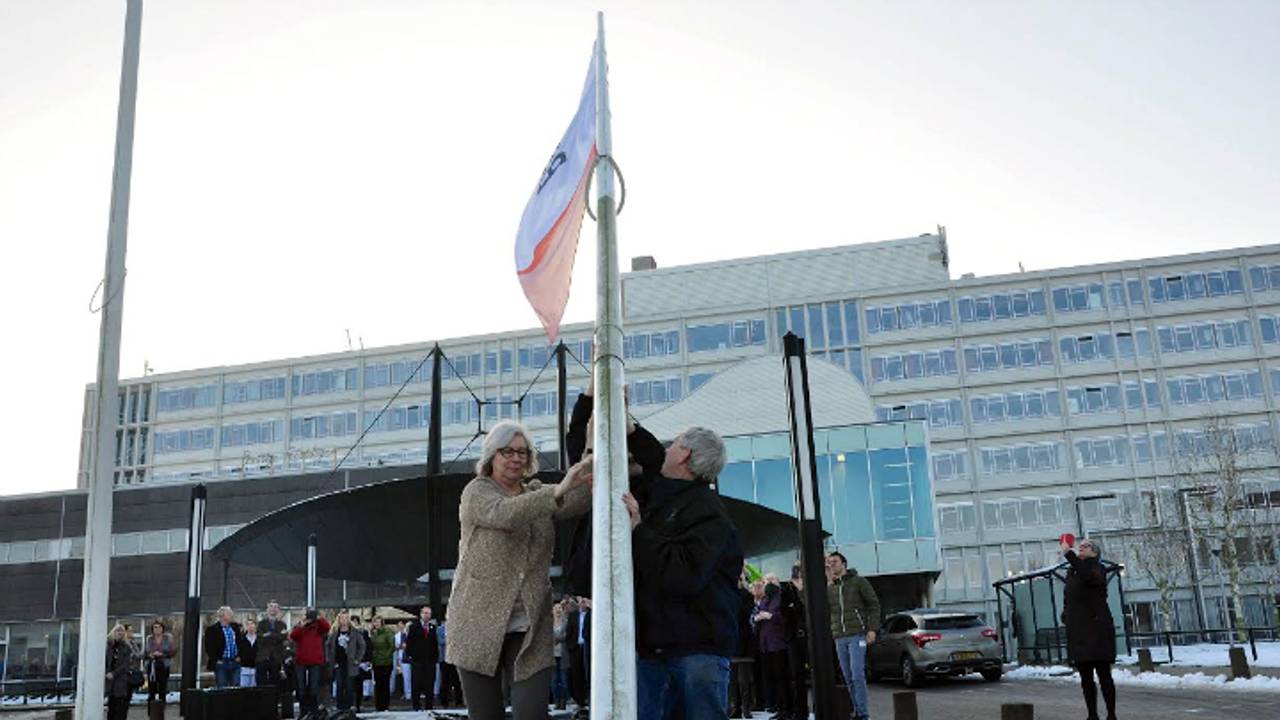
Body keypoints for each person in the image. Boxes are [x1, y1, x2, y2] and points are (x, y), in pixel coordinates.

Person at [446, 419, 593, 720]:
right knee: (486, 716)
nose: (516, 458)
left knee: (531, 714)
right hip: (476, 623)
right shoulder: (477, 492)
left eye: (522, 452)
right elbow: (507, 514)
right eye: (507, 451)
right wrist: (558, 491)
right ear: (491, 456)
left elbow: (580, 495)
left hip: (530, 627)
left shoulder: (536, 492)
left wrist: (592, 447)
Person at [623, 425, 744, 720]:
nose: (666, 450)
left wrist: (638, 531)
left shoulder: (708, 513)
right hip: (662, 648)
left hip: (694, 653)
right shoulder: (673, 496)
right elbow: (653, 458)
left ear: (685, 454)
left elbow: (683, 574)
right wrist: (632, 429)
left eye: (673, 445)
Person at [1061, 537, 1118, 720]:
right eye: (1081, 546)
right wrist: (1066, 614)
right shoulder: (1072, 572)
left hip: (1097, 629)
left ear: (1095, 553)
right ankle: (1092, 715)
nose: (1081, 548)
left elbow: (1088, 576)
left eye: (1086, 546)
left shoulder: (1097, 568)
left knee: (1104, 675)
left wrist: (1069, 554)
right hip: (1078, 630)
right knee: (1086, 678)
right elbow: (1069, 597)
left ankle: (1111, 714)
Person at [826, 552, 880, 720]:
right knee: (848, 676)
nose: (832, 565)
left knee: (857, 674)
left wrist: (872, 629)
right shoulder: (830, 588)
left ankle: (864, 714)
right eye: (829, 563)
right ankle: (856, 711)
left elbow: (874, 605)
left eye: (835, 562)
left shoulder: (859, 582)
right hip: (839, 637)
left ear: (844, 563)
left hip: (858, 635)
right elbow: (816, 606)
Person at [753, 578, 792, 717]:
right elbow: (758, 615)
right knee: (772, 677)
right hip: (766, 644)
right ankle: (777, 706)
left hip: (779, 643)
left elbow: (785, 617)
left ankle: (785, 708)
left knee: (782, 676)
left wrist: (770, 616)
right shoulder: (765, 599)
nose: (767, 584)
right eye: (765, 581)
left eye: (770, 580)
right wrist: (757, 618)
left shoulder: (781, 598)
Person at [781, 563, 809, 720]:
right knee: (796, 675)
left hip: (810, 636)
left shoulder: (810, 587)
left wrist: (801, 594)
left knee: (814, 673)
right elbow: (784, 610)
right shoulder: (787, 589)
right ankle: (800, 711)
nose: (796, 573)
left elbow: (808, 609)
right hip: (793, 637)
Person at [728, 569, 757, 720]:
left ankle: (747, 707)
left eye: (741, 578)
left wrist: (744, 587)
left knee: (744, 679)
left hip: (745, 641)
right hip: (732, 640)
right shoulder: (729, 595)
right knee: (732, 679)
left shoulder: (748, 596)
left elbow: (745, 612)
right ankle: (735, 707)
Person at [289, 609, 330, 716]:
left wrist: (319, 617)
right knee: (301, 689)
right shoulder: (300, 627)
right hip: (301, 661)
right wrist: (301, 625)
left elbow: (327, 628)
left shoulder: (318, 627)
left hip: (315, 661)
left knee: (313, 688)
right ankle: (304, 712)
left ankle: (313, 712)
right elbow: (293, 636)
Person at [324, 610, 366, 713]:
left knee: (349, 686)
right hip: (338, 662)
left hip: (350, 663)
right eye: (342, 618)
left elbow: (362, 646)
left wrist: (357, 659)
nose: (344, 620)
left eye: (346, 618)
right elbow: (327, 646)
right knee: (339, 685)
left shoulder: (355, 632)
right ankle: (340, 707)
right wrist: (330, 659)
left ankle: (349, 706)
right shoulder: (334, 633)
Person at [404, 606, 440, 711]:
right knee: (416, 684)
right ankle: (416, 706)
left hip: (430, 661)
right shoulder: (414, 627)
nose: (427, 615)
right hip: (417, 660)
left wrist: (435, 658)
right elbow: (409, 643)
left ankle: (429, 706)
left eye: (428, 613)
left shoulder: (433, 627)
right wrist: (411, 656)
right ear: (421, 614)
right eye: (425, 613)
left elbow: (434, 644)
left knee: (430, 684)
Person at [257, 601, 289, 712]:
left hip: (276, 658)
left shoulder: (282, 624)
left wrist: (269, 634)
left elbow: (283, 638)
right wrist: (275, 636)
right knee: (261, 684)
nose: (273, 609)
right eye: (271, 607)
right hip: (263, 658)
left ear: (278, 610)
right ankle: (262, 708)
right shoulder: (261, 624)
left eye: (275, 607)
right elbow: (260, 639)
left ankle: (274, 708)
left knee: (276, 684)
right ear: (267, 609)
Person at [204, 606, 245, 688]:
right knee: (222, 686)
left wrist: (240, 656)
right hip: (221, 663)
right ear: (222, 616)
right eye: (229, 614)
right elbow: (209, 647)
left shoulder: (235, 627)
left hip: (235, 662)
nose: (231, 616)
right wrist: (216, 660)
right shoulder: (212, 629)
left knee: (236, 686)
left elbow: (240, 643)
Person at [565, 596, 592, 718]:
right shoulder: (573, 615)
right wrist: (570, 646)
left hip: (588, 648)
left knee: (589, 674)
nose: (582, 603)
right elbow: (569, 632)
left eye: (584, 601)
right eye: (580, 601)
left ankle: (590, 699)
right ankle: (580, 701)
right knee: (576, 675)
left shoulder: (592, 614)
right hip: (576, 648)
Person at [105, 623, 135, 720]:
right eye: (118, 630)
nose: (120, 633)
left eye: (122, 631)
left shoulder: (126, 647)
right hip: (109, 680)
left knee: (120, 707)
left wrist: (114, 674)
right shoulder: (108, 645)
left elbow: (126, 665)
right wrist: (107, 673)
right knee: (111, 706)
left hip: (121, 679)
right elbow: (104, 661)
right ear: (113, 632)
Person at [144, 620, 174, 713]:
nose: (157, 629)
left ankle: (161, 712)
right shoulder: (149, 638)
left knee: (162, 689)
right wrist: (151, 654)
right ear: (152, 629)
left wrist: (162, 654)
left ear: (162, 628)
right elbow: (146, 652)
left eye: (159, 627)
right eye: (155, 627)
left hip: (164, 665)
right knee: (151, 690)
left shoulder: (168, 638)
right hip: (152, 665)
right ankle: (151, 712)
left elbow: (172, 652)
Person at [369, 616, 397, 712]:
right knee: (378, 685)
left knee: (385, 684)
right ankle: (378, 706)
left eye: (378, 622)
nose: (376, 624)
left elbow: (392, 646)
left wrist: (385, 656)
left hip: (386, 663)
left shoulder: (387, 632)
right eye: (374, 622)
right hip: (376, 662)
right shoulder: (373, 633)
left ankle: (385, 706)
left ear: (382, 623)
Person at [437, 611, 462, 707]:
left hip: (455, 659)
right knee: (445, 681)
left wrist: (450, 639)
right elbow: (440, 641)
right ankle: (444, 702)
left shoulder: (457, 629)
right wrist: (451, 638)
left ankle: (459, 701)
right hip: (444, 659)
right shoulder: (440, 629)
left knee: (457, 681)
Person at [551, 601, 570, 711]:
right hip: (552, 655)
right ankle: (556, 700)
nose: (558, 610)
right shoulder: (549, 623)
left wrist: (557, 639)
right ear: (552, 611)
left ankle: (563, 702)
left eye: (560, 608)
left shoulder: (566, 622)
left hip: (563, 655)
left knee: (564, 680)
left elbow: (567, 636)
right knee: (553, 681)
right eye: (556, 608)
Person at [394, 619, 412, 702]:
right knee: (406, 677)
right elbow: (402, 646)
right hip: (404, 658)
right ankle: (408, 694)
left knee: (414, 677)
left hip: (414, 658)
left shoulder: (414, 635)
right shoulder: (402, 635)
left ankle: (413, 693)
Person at [239, 618, 259, 687]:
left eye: (252, 624)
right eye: (248, 624)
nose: (250, 626)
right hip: (244, 669)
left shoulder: (259, 639)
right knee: (244, 691)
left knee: (255, 691)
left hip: (256, 669)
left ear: (255, 626)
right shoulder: (241, 638)